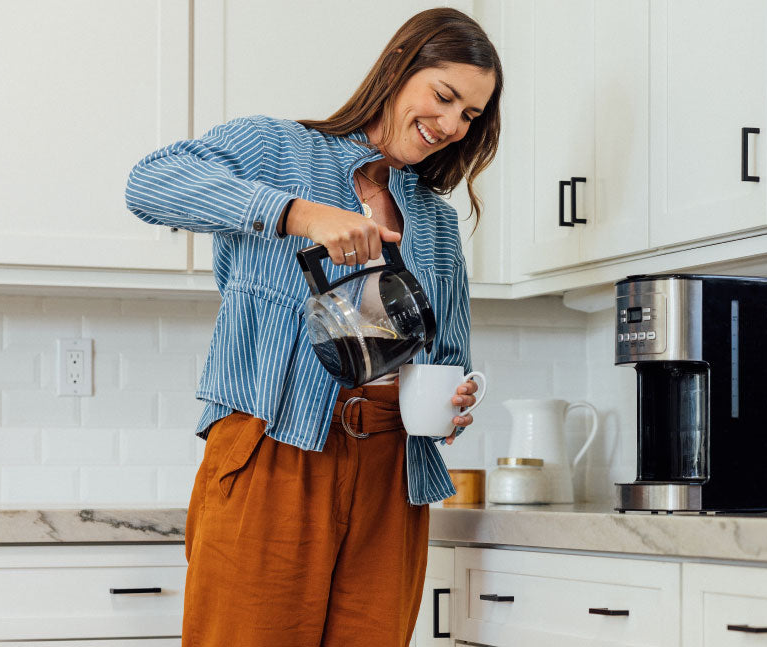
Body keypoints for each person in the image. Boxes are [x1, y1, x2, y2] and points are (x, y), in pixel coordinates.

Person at [123, 8, 501, 646]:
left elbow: (447, 355)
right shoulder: (275, 149)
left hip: (392, 472)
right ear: (399, 67)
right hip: (275, 448)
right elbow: (149, 184)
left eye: (469, 115)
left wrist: (454, 402)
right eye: (443, 96)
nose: (451, 125)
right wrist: (299, 215)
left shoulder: (435, 220)